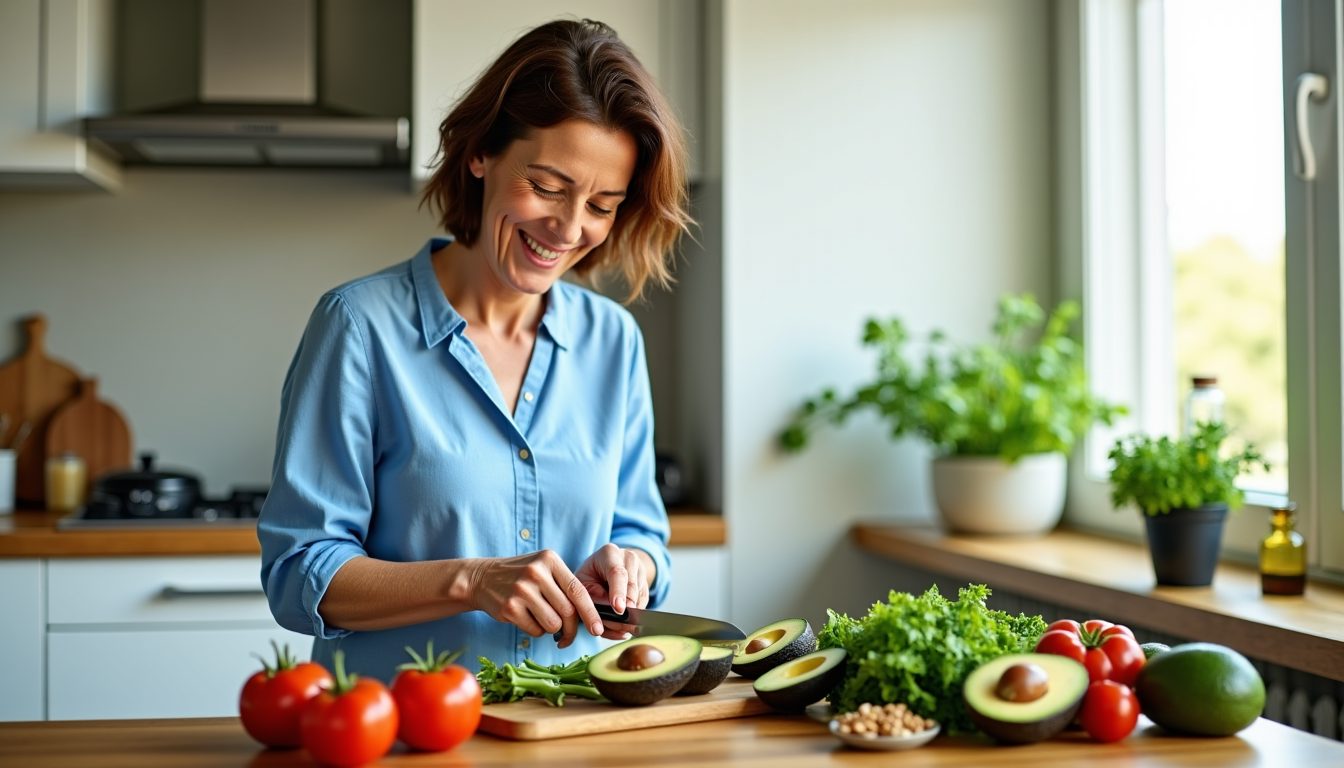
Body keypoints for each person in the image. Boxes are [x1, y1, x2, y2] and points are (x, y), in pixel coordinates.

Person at [258, 18, 690, 683]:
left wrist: (635, 566)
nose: (570, 229)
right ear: (481, 153)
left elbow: (640, 532)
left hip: (566, 730)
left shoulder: (613, 342)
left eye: (602, 204)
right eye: (547, 187)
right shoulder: (358, 327)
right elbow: (299, 573)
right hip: (397, 733)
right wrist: (471, 580)